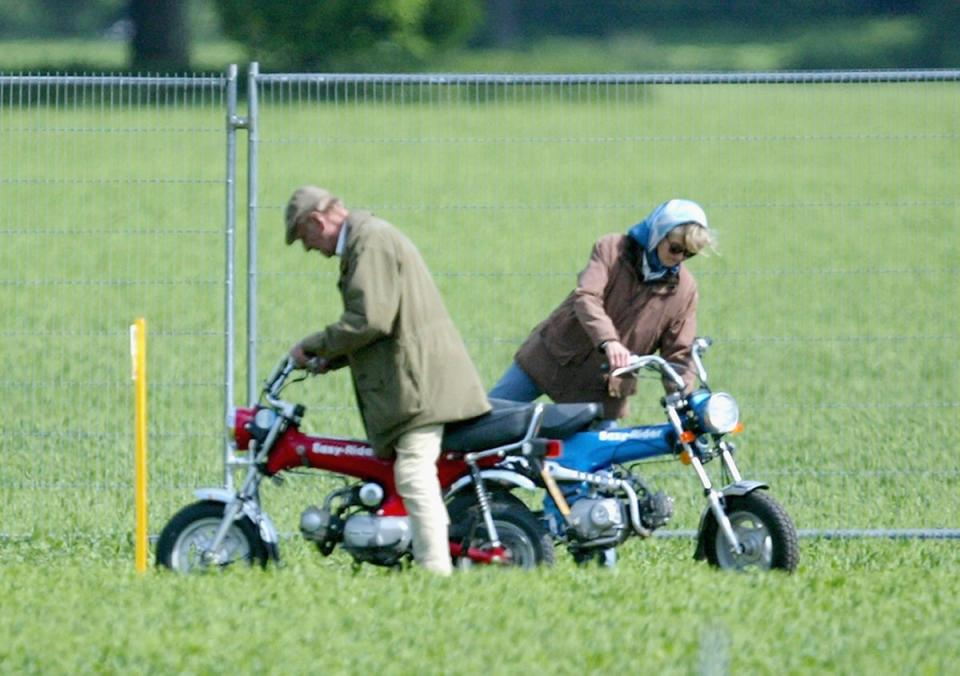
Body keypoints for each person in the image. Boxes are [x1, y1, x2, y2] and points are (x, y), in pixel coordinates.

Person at [284, 185, 491, 576]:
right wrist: (331, 359)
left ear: (317, 221)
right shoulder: (369, 238)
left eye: (304, 238)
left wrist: (313, 346)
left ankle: (436, 574)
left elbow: (371, 319)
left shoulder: (370, 241)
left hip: (421, 388)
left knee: (413, 474)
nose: (308, 248)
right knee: (409, 474)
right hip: (417, 382)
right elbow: (382, 323)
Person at [489, 198, 715, 423]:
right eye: (675, 249)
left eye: (689, 254)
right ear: (658, 233)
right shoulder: (611, 249)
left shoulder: (684, 290)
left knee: (601, 457)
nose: (679, 259)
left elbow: (679, 353)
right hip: (552, 358)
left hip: (602, 389)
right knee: (485, 422)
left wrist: (683, 402)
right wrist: (610, 341)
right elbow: (587, 296)